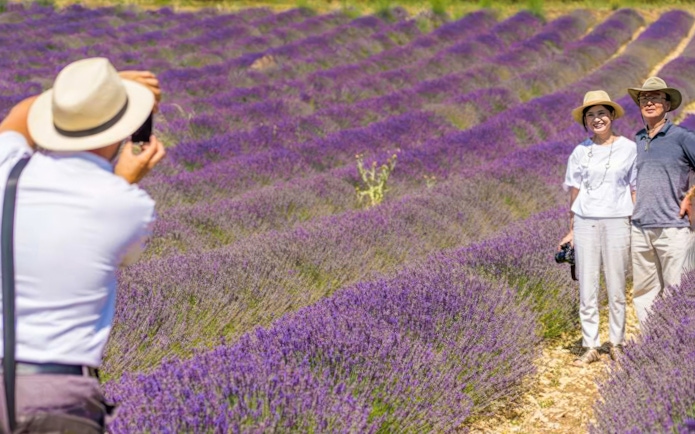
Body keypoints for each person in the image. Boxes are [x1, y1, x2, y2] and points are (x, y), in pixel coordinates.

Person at [0, 57, 165, 432]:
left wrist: (79, 97)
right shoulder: (125, 205)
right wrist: (124, 181)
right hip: (55, 398)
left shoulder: (6, 167)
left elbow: (15, 118)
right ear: (118, 130)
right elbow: (112, 249)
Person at [559, 90, 636, 366]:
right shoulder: (579, 151)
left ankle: (616, 341)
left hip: (617, 220)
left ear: (612, 115)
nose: (596, 119)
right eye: (590, 115)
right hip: (585, 222)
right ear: (585, 121)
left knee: (616, 285)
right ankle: (590, 345)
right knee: (587, 286)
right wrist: (571, 230)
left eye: (602, 113)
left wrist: (635, 221)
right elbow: (575, 192)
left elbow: (635, 188)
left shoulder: (629, 148)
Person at [627, 76, 695, 327]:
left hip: (673, 227)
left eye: (657, 97)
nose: (650, 102)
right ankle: (649, 342)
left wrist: (692, 195)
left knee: (676, 291)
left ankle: (676, 344)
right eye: (645, 98)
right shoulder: (637, 139)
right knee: (643, 293)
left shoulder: (681, 137)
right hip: (641, 227)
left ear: (667, 105)